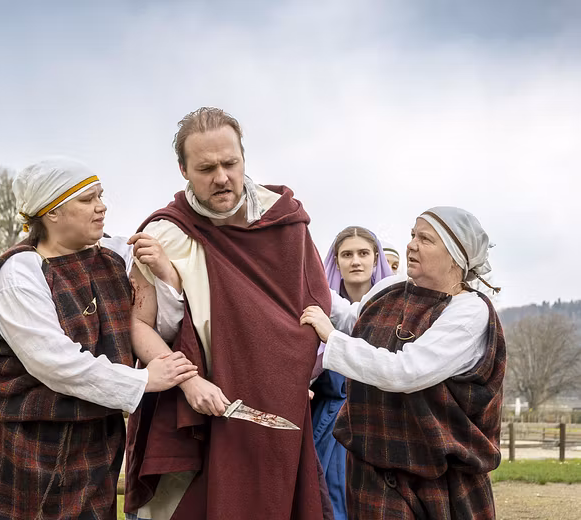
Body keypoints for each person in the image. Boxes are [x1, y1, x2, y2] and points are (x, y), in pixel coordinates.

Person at [0, 157, 198, 520]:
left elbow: (158, 326)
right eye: (87, 199)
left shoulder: (116, 257)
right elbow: (54, 362)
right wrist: (143, 380)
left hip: (92, 439)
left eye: (100, 196)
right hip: (19, 440)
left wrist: (165, 274)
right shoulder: (19, 274)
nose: (101, 207)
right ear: (52, 212)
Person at [124, 107, 334, 520]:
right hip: (191, 410)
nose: (221, 177)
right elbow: (137, 324)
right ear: (183, 170)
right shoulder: (164, 234)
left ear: (243, 158)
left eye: (230, 163)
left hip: (272, 410)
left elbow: (309, 313)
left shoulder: (285, 222)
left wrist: (296, 376)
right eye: (206, 168)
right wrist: (188, 382)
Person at [301, 207, 506, 519]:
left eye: (425, 239)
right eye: (412, 235)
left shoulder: (469, 313)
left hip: (439, 477)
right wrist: (305, 284)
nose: (411, 245)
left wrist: (332, 338)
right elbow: (354, 318)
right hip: (374, 467)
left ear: (456, 256)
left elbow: (406, 371)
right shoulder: (389, 289)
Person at [310, 226, 392, 520]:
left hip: (382, 419)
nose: (355, 261)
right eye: (347, 254)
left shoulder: (392, 306)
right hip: (330, 424)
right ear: (336, 261)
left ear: (375, 259)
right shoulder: (319, 307)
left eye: (363, 253)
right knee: (332, 500)